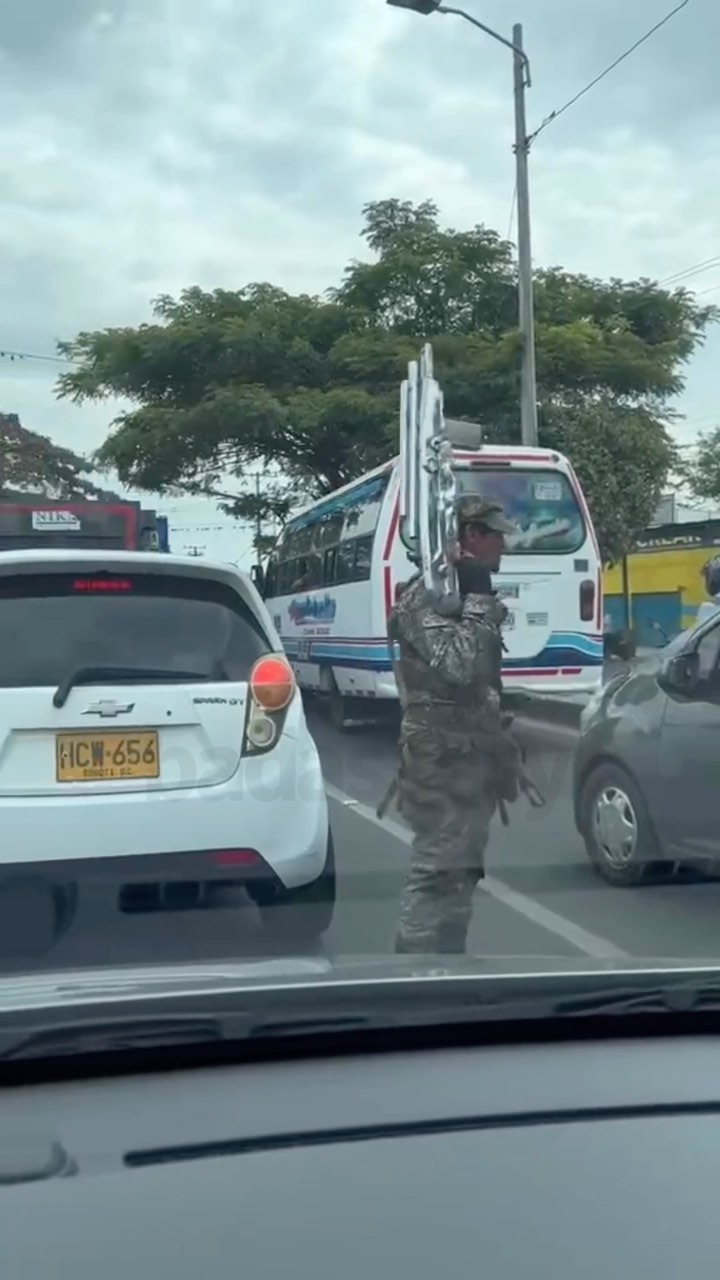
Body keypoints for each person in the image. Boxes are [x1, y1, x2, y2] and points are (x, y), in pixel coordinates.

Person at [388, 495, 523, 955]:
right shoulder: (425, 597)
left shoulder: (459, 595)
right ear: (471, 536)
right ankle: (414, 972)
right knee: (436, 866)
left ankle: (449, 963)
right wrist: (480, 595)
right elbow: (459, 667)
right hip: (439, 755)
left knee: (464, 866)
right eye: (496, 535)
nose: (503, 545)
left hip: (471, 751)